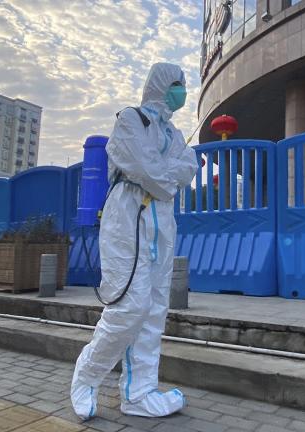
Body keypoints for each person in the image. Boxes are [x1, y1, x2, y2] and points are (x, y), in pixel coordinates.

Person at [70, 63, 198, 420]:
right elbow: (146, 171)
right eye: (176, 84)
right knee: (129, 307)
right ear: (159, 85)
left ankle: (139, 392)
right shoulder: (130, 120)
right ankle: (86, 376)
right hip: (127, 220)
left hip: (162, 223)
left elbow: (189, 167)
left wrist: (164, 173)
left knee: (155, 310)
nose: (181, 91)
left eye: (184, 85)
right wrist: (168, 174)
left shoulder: (173, 134)